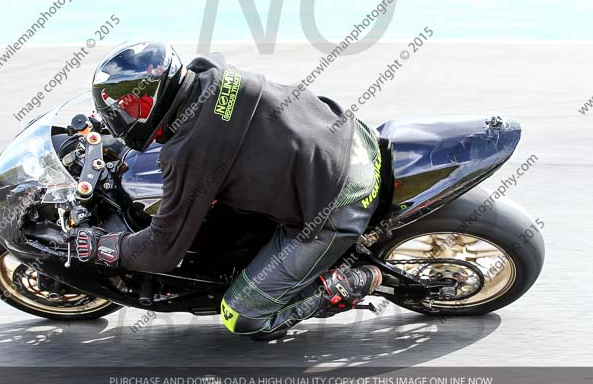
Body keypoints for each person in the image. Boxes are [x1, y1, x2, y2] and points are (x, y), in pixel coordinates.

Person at [73, 40, 383, 340]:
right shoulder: (210, 72)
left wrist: (107, 248)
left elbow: (160, 251)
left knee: (242, 315)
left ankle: (346, 284)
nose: (122, 116)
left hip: (341, 200)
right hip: (349, 133)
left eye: (128, 109)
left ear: (150, 102)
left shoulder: (190, 154)